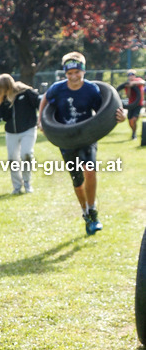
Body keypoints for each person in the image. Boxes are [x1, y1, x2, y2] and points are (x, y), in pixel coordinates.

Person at [38, 52, 125, 235]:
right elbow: (45, 98)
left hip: (87, 136)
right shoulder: (58, 89)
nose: (74, 77)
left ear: (83, 71)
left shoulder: (91, 90)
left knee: (90, 171)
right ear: (65, 73)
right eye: (69, 74)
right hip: (66, 139)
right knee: (77, 181)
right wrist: (41, 120)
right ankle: (85, 212)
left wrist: (120, 116)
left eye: (77, 72)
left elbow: (106, 110)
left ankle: (93, 210)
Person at [0, 74, 40, 194]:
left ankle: (27, 183)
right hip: (11, 132)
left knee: (26, 155)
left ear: (7, 86)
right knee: (13, 159)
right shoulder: (4, 101)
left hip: (28, 129)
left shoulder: (26, 93)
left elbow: (41, 104)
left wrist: (41, 121)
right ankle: (17, 187)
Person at [116, 70, 145, 140]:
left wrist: (133, 83)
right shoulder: (127, 85)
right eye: (129, 75)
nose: (131, 76)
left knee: (133, 119)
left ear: (134, 76)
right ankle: (133, 132)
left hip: (138, 104)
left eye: (132, 75)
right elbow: (128, 96)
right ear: (128, 76)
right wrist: (129, 87)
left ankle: (134, 134)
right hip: (131, 105)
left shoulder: (138, 80)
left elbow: (143, 82)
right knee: (130, 121)